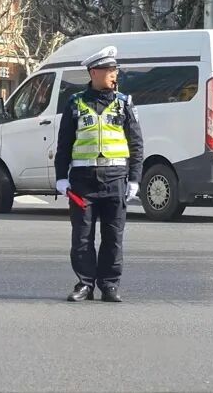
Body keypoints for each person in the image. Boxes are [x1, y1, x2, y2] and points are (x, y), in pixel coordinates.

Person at [54, 46, 144, 303]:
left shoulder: (124, 103)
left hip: (116, 179)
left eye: (116, 70)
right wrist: (62, 177)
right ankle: (84, 284)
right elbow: (64, 144)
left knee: (113, 236)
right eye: (109, 70)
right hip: (83, 182)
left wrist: (135, 178)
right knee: (82, 237)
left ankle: (109, 285)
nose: (115, 75)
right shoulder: (75, 103)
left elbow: (136, 143)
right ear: (94, 72)